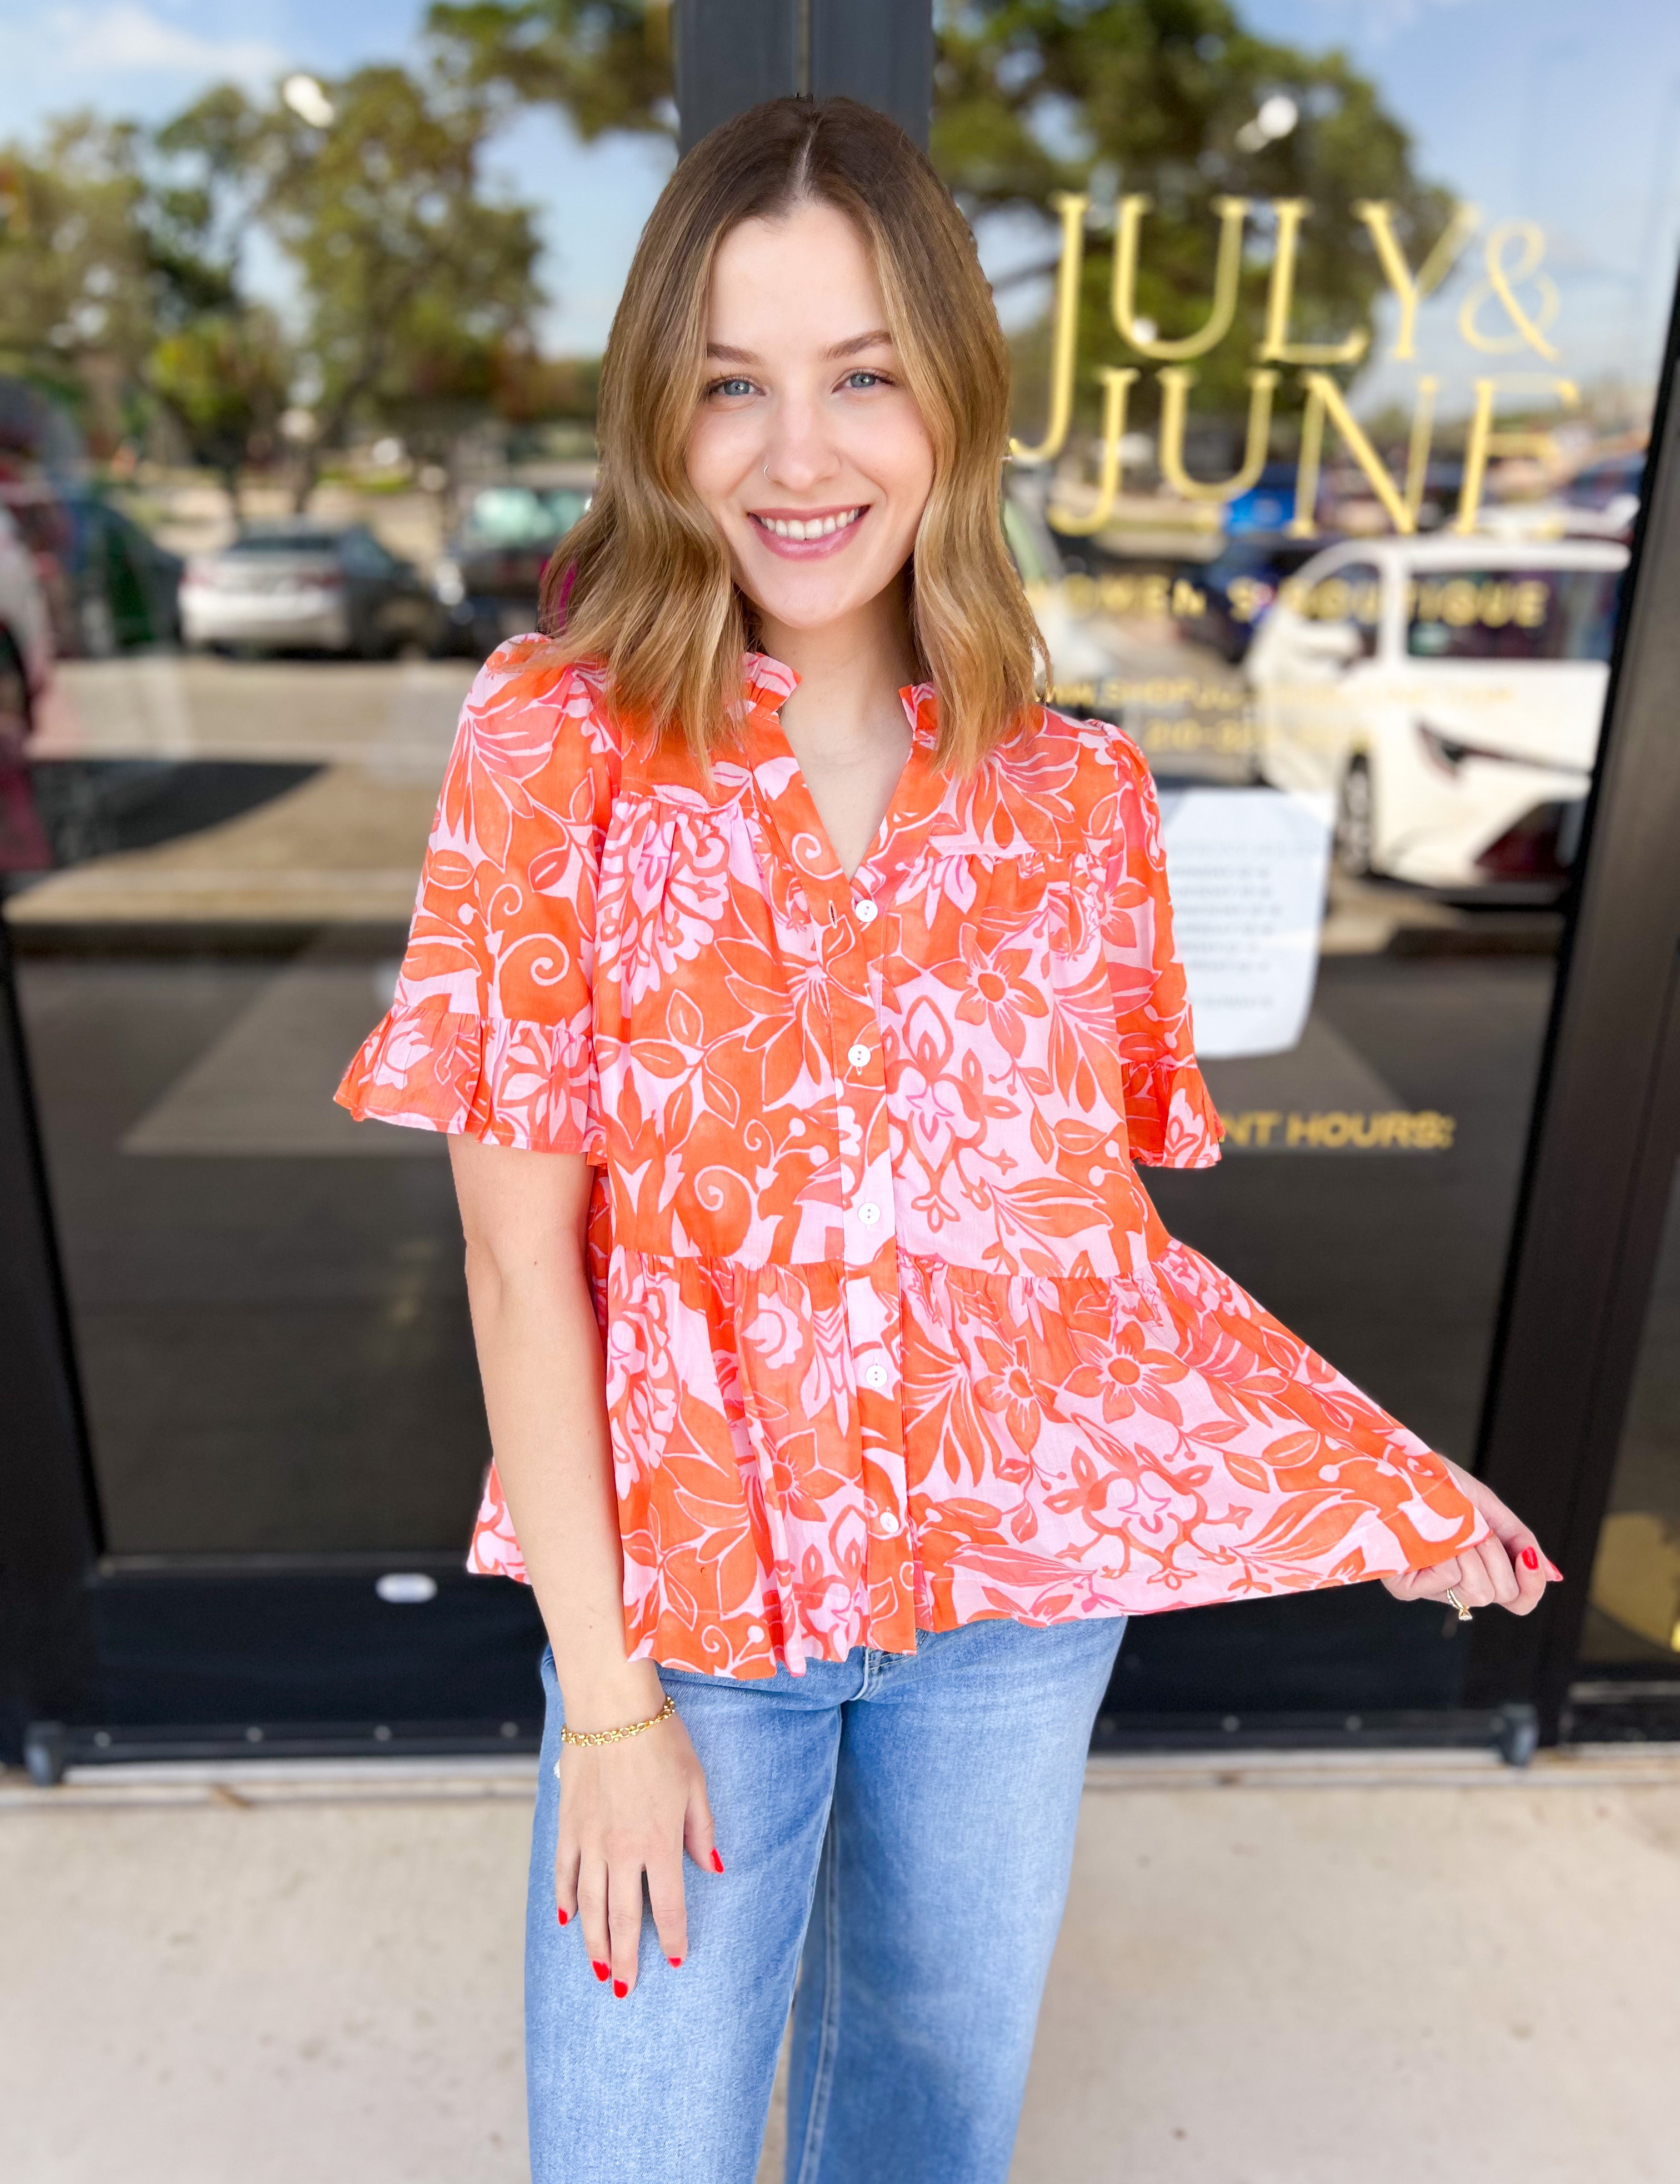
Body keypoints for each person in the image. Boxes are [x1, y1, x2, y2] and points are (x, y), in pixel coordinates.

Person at [337, 96, 1559, 2184]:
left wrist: (1369, 1475)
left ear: (956, 403)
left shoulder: (1075, 797)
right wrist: (606, 1708)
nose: (796, 454)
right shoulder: (553, 743)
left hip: (1006, 1620)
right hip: (686, 1619)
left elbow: (1088, 1271)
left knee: (923, 2137)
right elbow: (519, 1260)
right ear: (659, 412)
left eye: (864, 377)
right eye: (733, 382)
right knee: (634, 2150)